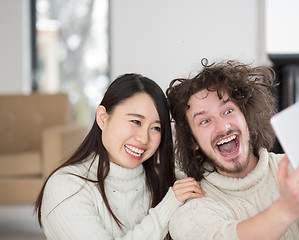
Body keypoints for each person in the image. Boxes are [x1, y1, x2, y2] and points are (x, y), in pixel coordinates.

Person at [166, 60, 299, 240]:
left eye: (228, 111)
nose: (223, 126)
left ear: (247, 118)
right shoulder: (192, 208)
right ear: (193, 141)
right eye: (205, 121)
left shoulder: (296, 167)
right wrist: (287, 208)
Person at [34, 73, 205, 239]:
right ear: (102, 118)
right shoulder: (67, 186)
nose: (144, 138)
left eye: (156, 128)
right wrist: (167, 207)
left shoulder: (168, 179)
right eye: (136, 122)